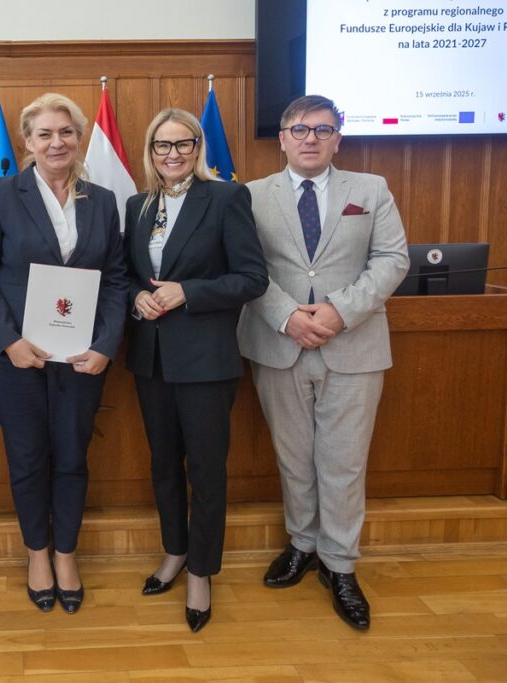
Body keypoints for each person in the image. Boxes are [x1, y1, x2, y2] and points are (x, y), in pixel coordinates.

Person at [237, 95, 409, 630]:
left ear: (339, 136)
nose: (310, 138)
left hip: (352, 346)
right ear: (282, 137)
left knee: (344, 462)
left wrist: (338, 312)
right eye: (299, 129)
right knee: (294, 458)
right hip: (277, 343)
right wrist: (288, 316)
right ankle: (302, 546)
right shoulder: (249, 196)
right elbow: (245, 268)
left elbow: (392, 259)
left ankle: (340, 566)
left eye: (322, 129)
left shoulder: (371, 189)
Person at [0, 93, 127, 616]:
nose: (57, 142)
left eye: (67, 132)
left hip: (81, 358)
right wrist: (9, 340)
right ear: (27, 143)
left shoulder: (102, 200)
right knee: (29, 456)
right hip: (13, 355)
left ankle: (67, 554)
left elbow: (118, 280)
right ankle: (37, 553)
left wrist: (104, 345)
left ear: (79, 139)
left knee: (73, 456)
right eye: (45, 134)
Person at [124, 108, 267, 632]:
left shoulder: (228, 197)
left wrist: (190, 291)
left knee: (205, 471)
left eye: (183, 144)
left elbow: (253, 278)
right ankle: (175, 551)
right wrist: (137, 296)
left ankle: (202, 572)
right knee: (164, 464)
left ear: (198, 147)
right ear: (151, 151)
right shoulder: (138, 205)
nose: (173, 154)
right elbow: (125, 274)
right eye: (163, 146)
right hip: (151, 359)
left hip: (206, 362)